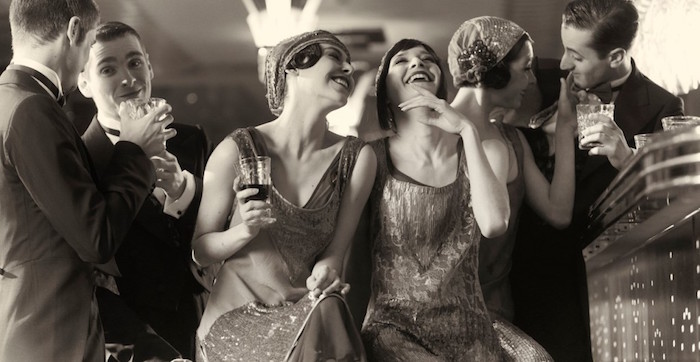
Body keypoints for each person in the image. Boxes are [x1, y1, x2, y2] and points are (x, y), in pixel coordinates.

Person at [510, 0, 685, 360]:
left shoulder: (664, 108)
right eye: (563, 48)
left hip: (610, 284)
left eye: (576, 55)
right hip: (533, 271)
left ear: (617, 55)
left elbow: (673, 208)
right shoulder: (528, 81)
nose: (562, 64)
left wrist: (626, 159)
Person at [0, 1, 170, 361]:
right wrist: (134, 150)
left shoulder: (9, 99)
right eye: (91, 40)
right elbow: (96, 239)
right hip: (52, 333)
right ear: (75, 30)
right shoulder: (31, 108)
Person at [191, 30, 375, 361]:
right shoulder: (236, 150)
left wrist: (327, 271)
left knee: (331, 309)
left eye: (349, 63)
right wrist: (244, 231)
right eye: (335, 56)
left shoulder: (357, 159)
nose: (348, 69)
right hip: (232, 328)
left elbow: (335, 255)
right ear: (292, 67)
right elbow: (200, 252)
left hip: (305, 322)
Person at [360, 37, 542, 361]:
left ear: (441, 81)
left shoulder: (487, 149)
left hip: (473, 329)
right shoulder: (370, 158)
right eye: (401, 61)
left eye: (427, 59)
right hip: (394, 329)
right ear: (384, 92)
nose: (417, 63)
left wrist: (467, 131)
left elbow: (494, 224)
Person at [446, 15, 578, 360]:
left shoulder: (512, 138)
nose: (531, 80)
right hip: (441, 318)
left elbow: (559, 212)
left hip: (499, 312)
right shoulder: (432, 138)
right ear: (495, 71)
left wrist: (565, 126)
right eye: (526, 68)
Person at [77, 21, 211, 361]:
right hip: (128, 339)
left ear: (150, 65)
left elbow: (213, 228)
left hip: (202, 321)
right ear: (84, 83)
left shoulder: (192, 139)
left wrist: (182, 192)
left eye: (135, 62)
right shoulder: (78, 159)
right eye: (108, 68)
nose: (128, 78)